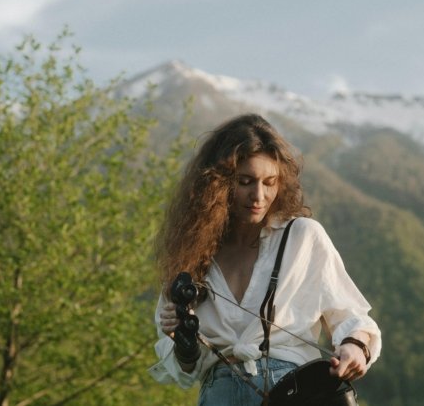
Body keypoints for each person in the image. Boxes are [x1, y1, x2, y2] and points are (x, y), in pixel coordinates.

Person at [149, 114, 381, 405]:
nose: (259, 196)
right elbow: (187, 368)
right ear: (217, 185)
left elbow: (349, 315)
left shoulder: (302, 236)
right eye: (245, 181)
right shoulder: (191, 251)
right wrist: (181, 338)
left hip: (291, 393)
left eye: (269, 182)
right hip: (217, 395)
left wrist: (355, 347)